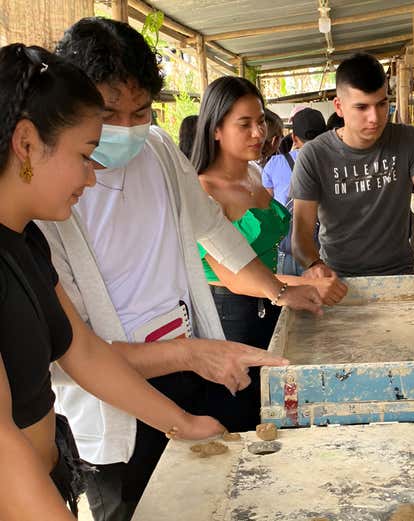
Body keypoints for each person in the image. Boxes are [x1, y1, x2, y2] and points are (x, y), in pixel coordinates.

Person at [41, 18, 320, 521]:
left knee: (208, 501)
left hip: (188, 364)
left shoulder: (157, 150)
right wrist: (190, 360)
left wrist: (277, 290)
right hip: (115, 405)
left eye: (141, 111)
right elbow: (76, 353)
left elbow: (214, 230)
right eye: (109, 114)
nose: (127, 128)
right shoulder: (46, 201)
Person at [0, 43, 224, 521]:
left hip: (46, 482)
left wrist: (181, 424)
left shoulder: (27, 243)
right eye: (85, 154)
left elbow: (84, 352)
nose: (92, 175)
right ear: (25, 143)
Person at [190, 77, 347, 430]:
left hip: (270, 305)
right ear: (215, 130)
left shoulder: (253, 172)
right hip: (231, 317)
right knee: (243, 417)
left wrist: (308, 277)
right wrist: (297, 286)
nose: (258, 132)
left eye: (260, 121)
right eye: (243, 125)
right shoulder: (202, 190)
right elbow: (231, 276)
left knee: (275, 411)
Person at [291, 53, 414, 278]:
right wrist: (314, 266)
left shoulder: (408, 140)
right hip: (337, 277)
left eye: (382, 104)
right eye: (362, 107)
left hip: (399, 273)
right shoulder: (313, 155)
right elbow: (301, 234)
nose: (375, 117)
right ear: (339, 107)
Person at [263, 107, 327, 275]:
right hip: (323, 251)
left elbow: (268, 207)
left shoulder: (273, 164)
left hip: (288, 246)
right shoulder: (333, 161)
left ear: (294, 138)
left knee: (291, 298)